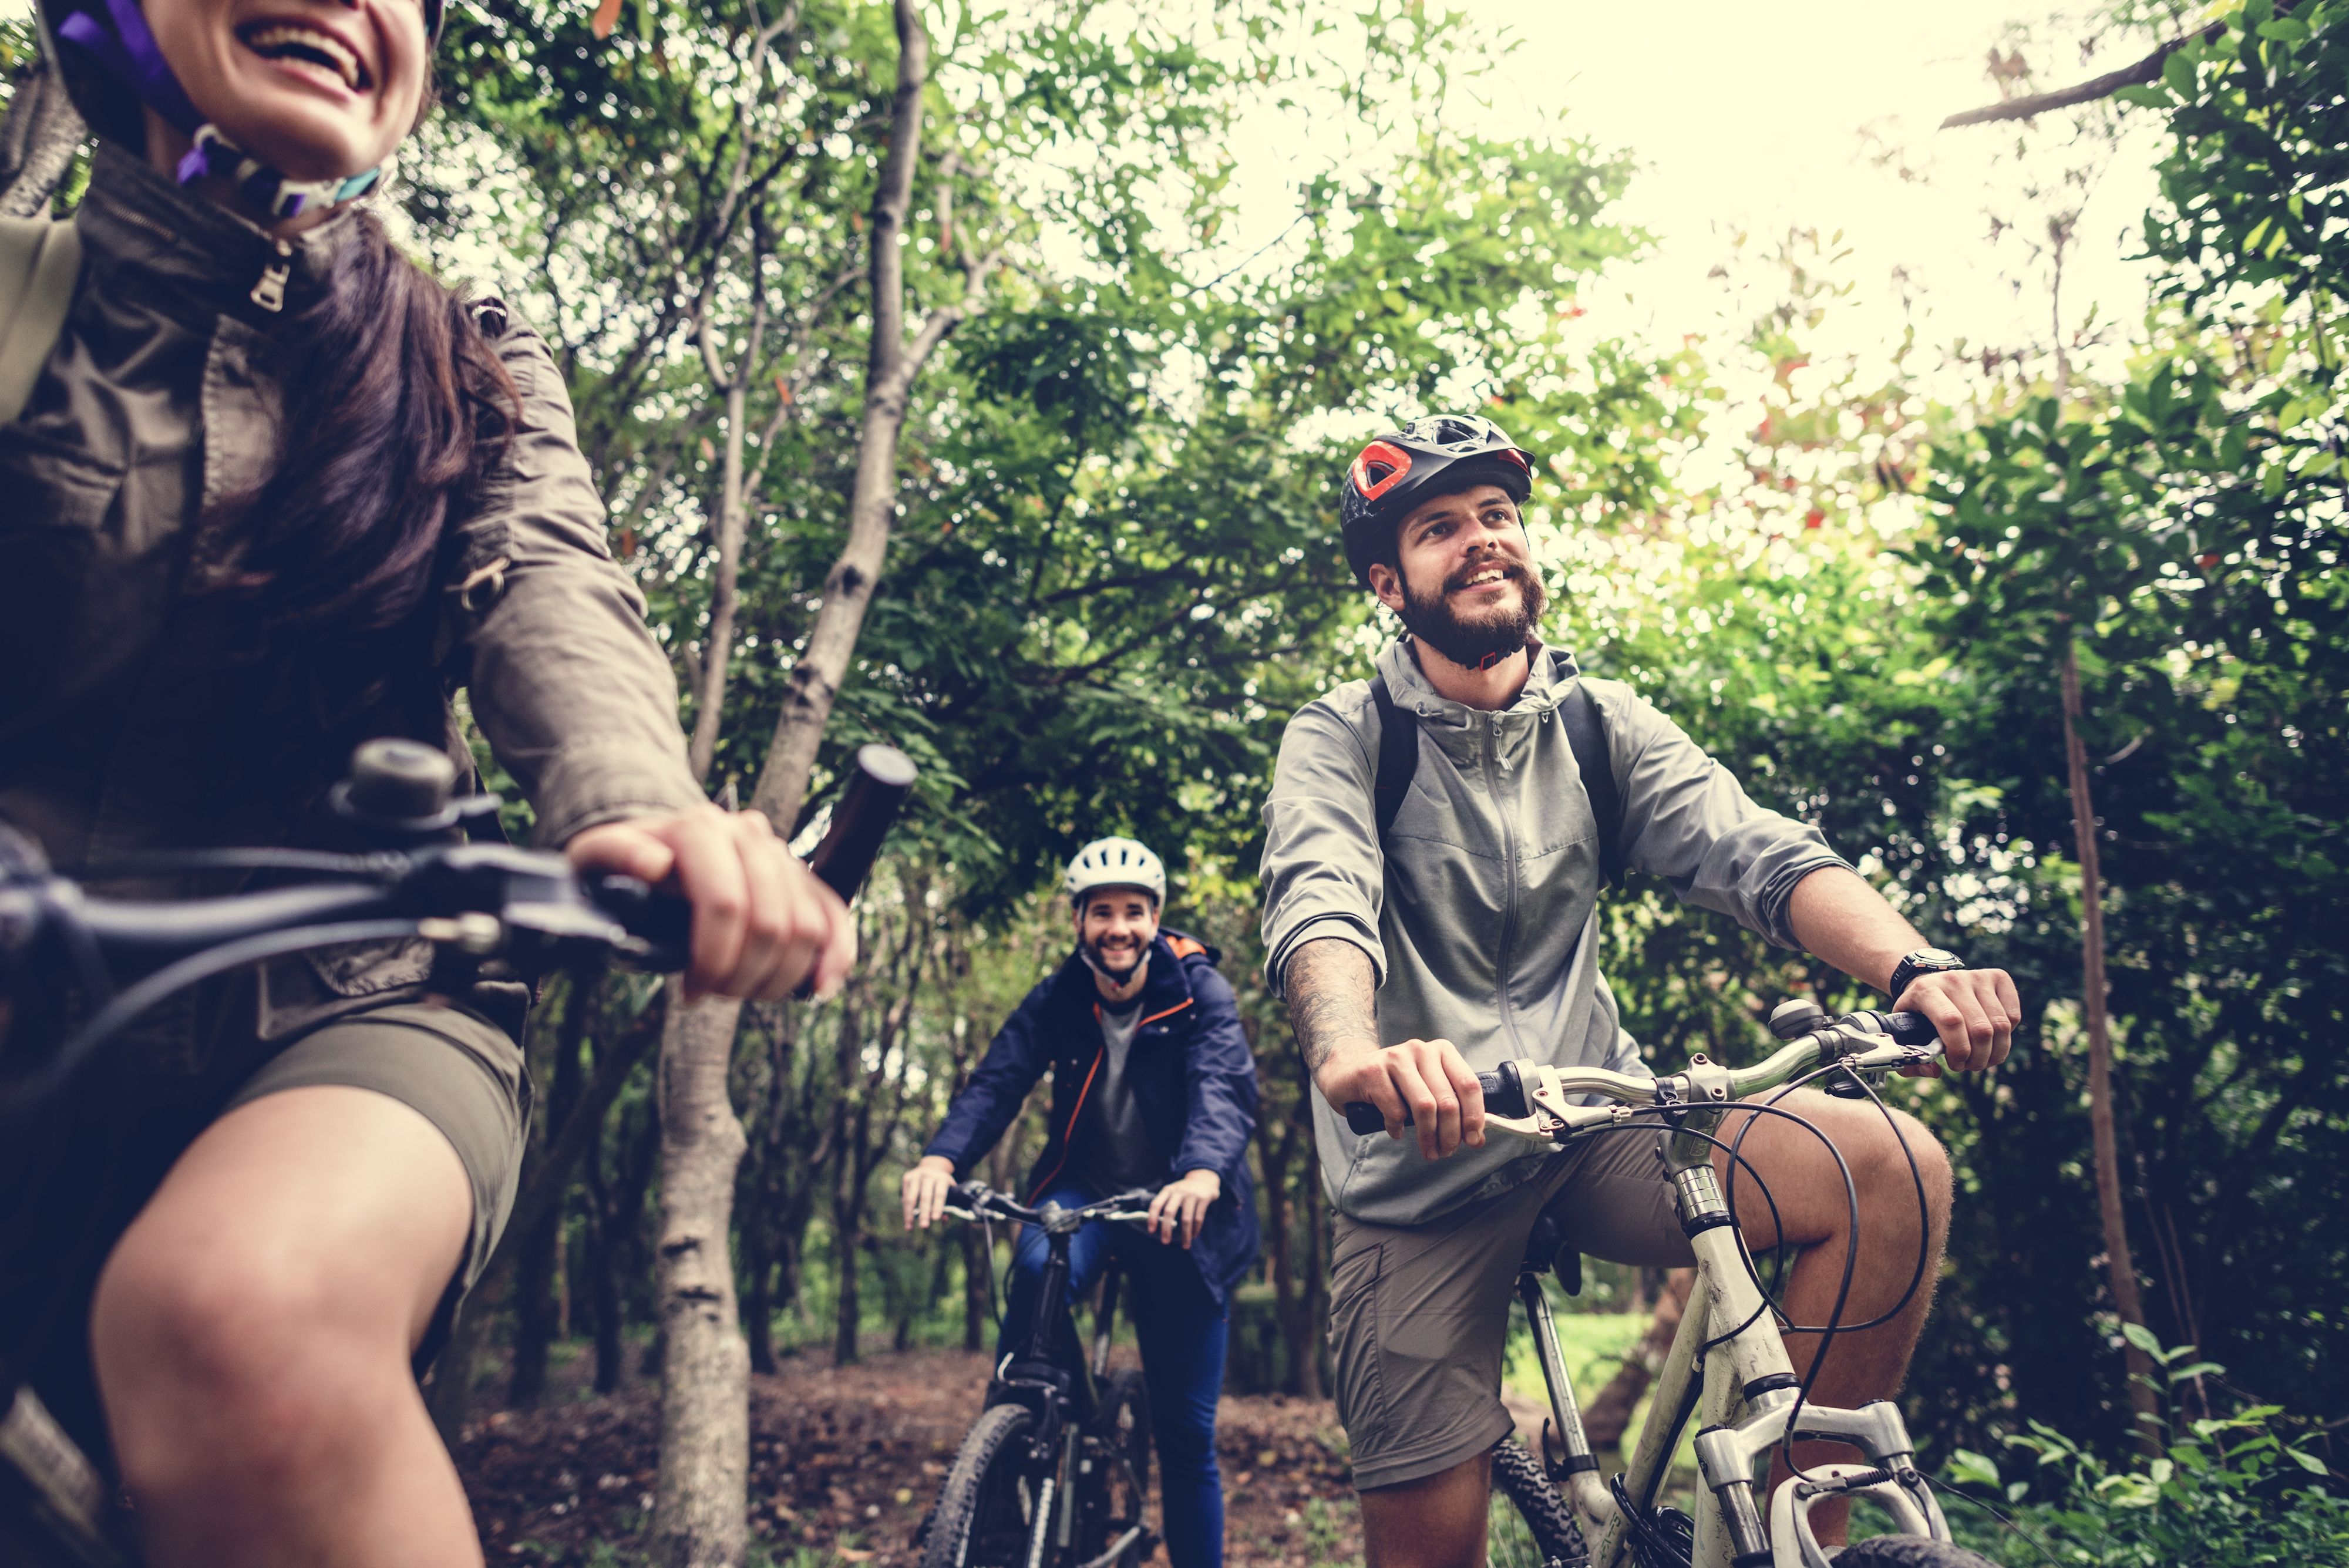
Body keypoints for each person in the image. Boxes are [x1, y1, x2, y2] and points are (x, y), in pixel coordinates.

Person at [0, 1, 854, 1564]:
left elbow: (544, 584)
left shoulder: (462, 359)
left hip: (353, 1005)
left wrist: (638, 806)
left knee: (237, 1316)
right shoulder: (18, 300)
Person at [1256, 413, 2023, 1568]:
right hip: (1419, 1165)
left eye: (1496, 517)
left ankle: (1800, 1533)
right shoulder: (1343, 740)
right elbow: (1321, 903)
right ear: (1385, 582)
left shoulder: (1595, 725)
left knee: (1894, 1167)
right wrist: (1349, 1055)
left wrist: (1912, 963)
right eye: (1436, 528)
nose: (1480, 541)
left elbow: (1757, 853)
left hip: (1592, 1125)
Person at [902, 838, 1260, 1568]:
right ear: (1079, 922)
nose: (1118, 927)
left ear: (1156, 919)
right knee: (1033, 1275)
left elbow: (1223, 1085)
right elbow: (998, 1079)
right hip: (1085, 1191)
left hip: (1176, 1208)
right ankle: (1008, 1473)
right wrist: (941, 1158)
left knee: (1185, 1435)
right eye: (1102, 913)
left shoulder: (1199, 991)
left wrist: (1198, 1174)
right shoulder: (1062, 994)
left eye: (1134, 911)